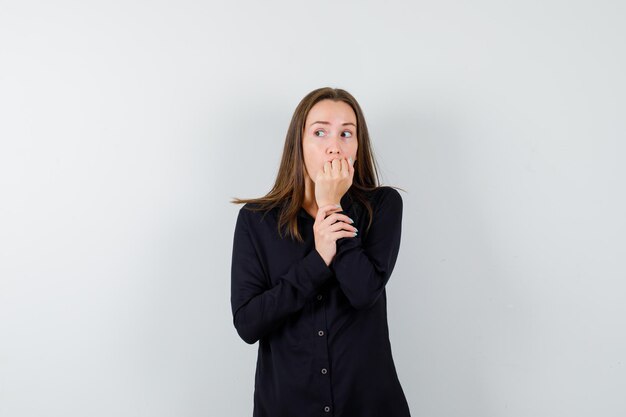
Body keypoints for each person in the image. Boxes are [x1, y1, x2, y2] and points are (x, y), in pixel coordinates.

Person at [230, 87, 411, 417]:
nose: (334, 146)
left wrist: (331, 204)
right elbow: (248, 324)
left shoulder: (383, 206)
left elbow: (363, 291)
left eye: (346, 133)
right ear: (299, 143)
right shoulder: (257, 220)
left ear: (358, 147)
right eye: (320, 132)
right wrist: (317, 261)